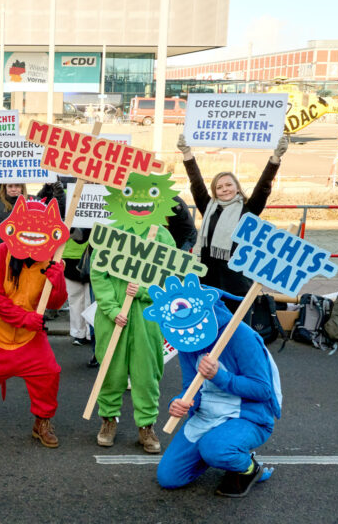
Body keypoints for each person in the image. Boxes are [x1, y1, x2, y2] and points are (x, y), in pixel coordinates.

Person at [0, 200, 69, 449]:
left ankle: (42, 421)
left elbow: (57, 302)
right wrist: (26, 319)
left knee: (48, 371)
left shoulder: (51, 258)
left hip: (29, 333)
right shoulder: (1, 254)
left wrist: (57, 280)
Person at [157, 292, 282, 498]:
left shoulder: (241, 335)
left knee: (215, 448)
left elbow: (263, 390)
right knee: (169, 478)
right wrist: (180, 402)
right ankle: (222, 450)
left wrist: (219, 376)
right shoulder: (185, 337)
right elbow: (191, 387)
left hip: (247, 417)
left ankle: (248, 466)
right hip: (206, 417)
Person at [177, 134, 289, 310]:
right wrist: (186, 153)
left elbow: (263, 186)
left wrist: (276, 158)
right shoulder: (208, 208)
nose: (224, 190)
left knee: (238, 329)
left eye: (228, 185)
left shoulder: (248, 210)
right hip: (208, 280)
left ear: (237, 187)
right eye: (219, 187)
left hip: (238, 282)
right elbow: (196, 183)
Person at [89, 228, 175, 455]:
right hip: (113, 317)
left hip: (149, 316)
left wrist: (145, 291)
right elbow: (98, 274)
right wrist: (111, 309)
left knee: (146, 372)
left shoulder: (163, 236)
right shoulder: (110, 233)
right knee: (110, 371)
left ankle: (146, 425)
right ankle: (108, 419)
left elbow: (172, 278)